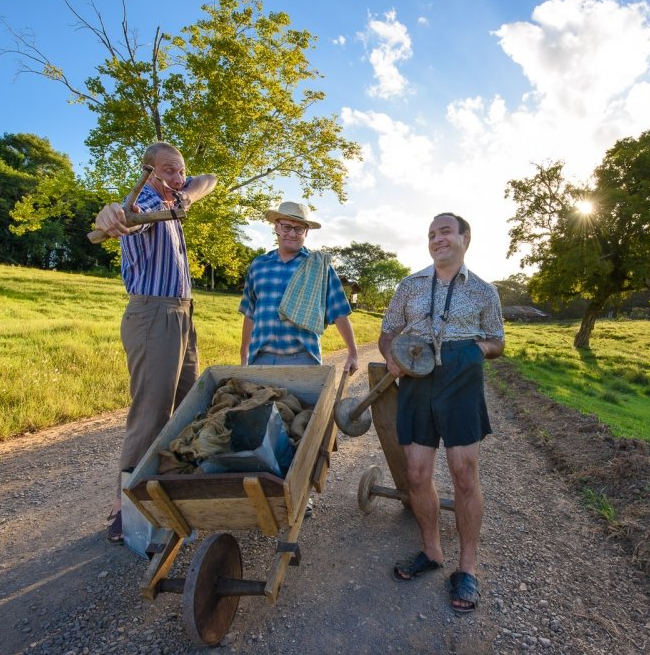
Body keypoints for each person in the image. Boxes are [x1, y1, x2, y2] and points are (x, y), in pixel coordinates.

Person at [379, 212, 504, 613]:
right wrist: (390, 358)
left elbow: (498, 342)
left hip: (460, 378)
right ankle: (431, 552)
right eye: (431, 233)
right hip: (416, 377)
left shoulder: (485, 292)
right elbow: (386, 332)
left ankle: (467, 569)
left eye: (445, 231)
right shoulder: (409, 285)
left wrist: (474, 351)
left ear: (466, 237)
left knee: (464, 472)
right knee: (416, 472)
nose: (436, 238)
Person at [94, 142, 218, 544]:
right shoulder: (143, 205)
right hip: (153, 315)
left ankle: (167, 492)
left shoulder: (177, 196)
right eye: (168, 171)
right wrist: (112, 214)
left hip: (183, 313)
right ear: (147, 172)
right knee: (151, 412)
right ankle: (123, 508)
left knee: (186, 402)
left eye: (181, 170)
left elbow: (208, 180)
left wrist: (182, 188)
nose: (178, 178)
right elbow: (119, 217)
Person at [239, 201, 359, 516]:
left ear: (306, 232)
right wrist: (243, 357)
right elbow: (249, 314)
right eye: (286, 226)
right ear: (276, 227)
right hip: (263, 358)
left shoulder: (319, 267)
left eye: (299, 228)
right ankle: (267, 489)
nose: (292, 232)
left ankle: (299, 493)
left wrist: (353, 351)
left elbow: (339, 310)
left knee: (302, 429)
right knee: (263, 425)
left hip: (303, 359)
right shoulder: (258, 266)